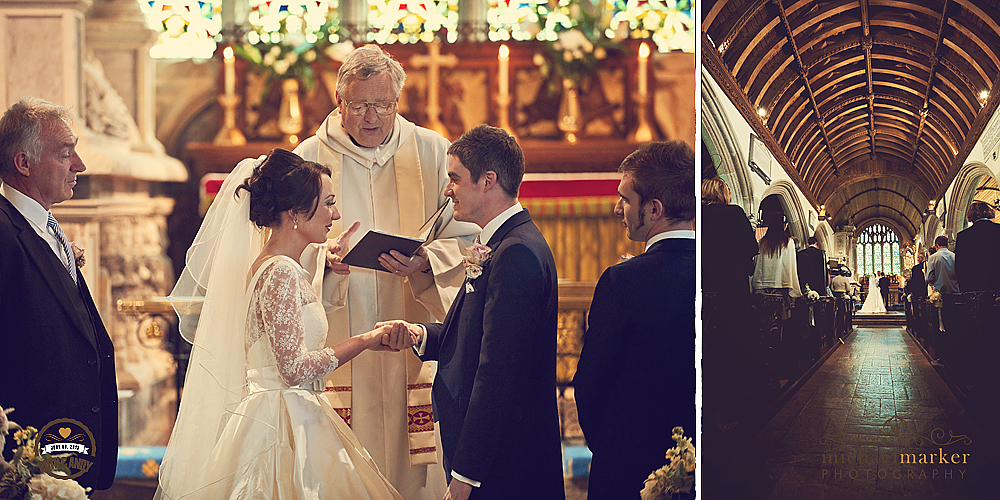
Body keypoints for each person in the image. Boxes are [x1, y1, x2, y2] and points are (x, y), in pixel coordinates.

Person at [156, 149, 408, 499]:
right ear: (295, 213)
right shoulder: (280, 272)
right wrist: (366, 339)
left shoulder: (279, 266)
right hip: (280, 424)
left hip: (290, 412)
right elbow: (293, 368)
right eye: (329, 203)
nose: (335, 214)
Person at [293, 44, 478, 498]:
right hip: (342, 334)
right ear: (340, 102)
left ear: (398, 102)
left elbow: (471, 238)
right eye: (359, 105)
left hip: (412, 335)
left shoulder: (433, 151)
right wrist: (326, 262)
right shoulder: (309, 156)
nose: (371, 116)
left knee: (412, 471)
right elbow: (283, 244)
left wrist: (425, 262)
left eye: (383, 105)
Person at [380, 125, 564, 500]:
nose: (447, 190)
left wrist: (467, 474)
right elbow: (476, 333)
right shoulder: (502, 242)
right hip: (495, 459)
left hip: (502, 466)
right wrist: (422, 335)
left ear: (488, 180)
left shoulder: (516, 254)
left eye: (454, 179)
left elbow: (498, 372)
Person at [0, 97, 117, 489]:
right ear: (23, 163)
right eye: (66, 154)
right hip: (32, 442)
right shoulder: (3, 233)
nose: (79, 165)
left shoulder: (43, 225)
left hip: (67, 440)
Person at [574, 141, 696, 499]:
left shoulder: (622, 281)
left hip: (630, 468)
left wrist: (612, 449)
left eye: (625, 199)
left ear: (654, 209)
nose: (617, 208)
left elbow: (589, 383)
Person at [751, 210, 801, 317]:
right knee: (778, 320)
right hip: (781, 286)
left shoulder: (761, 242)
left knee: (762, 319)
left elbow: (757, 264)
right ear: (784, 226)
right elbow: (791, 266)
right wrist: (795, 289)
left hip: (762, 286)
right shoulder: (788, 242)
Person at [955, 200, 1000, 292]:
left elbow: (960, 266)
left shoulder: (963, 236)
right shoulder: (998, 230)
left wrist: (964, 290)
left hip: (975, 287)